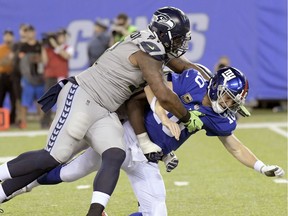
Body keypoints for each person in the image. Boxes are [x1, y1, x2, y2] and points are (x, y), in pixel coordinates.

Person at [0, 7, 206, 216]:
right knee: (53, 157)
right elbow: (162, 94)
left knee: (115, 154)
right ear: (164, 33)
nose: (181, 44)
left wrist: (211, 80)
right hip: (83, 96)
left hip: (104, 110)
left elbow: (185, 66)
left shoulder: (155, 45)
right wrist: (187, 118)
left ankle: (95, 213)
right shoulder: (149, 51)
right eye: (178, 38)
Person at [4, 67, 285, 216]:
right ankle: (20, 186)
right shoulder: (193, 82)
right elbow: (154, 85)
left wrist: (261, 166)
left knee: (157, 212)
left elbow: (234, 145)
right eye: (228, 97)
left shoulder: (220, 117)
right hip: (125, 136)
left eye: (233, 101)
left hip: (149, 158)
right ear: (217, 88)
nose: (229, 104)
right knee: (68, 172)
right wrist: (162, 112)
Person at [41, 28, 74, 128]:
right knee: (49, 100)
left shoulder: (68, 47)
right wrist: (43, 47)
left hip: (62, 76)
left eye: (62, 36)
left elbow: (66, 56)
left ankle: (63, 121)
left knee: (63, 100)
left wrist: (55, 45)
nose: (60, 38)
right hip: (50, 76)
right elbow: (44, 62)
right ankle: (45, 122)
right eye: (59, 36)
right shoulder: (48, 49)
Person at [18, 24, 45, 129]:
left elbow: (43, 59)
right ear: (26, 33)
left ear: (34, 33)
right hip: (28, 78)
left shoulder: (39, 45)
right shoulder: (23, 46)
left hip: (39, 78)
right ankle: (23, 122)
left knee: (41, 102)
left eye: (32, 31)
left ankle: (42, 121)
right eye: (28, 32)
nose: (30, 34)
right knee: (25, 102)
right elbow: (23, 61)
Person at [0, 30, 16, 125]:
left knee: (14, 99)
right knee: (0, 98)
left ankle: (12, 120)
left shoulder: (16, 48)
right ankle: (1, 121)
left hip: (13, 76)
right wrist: (9, 58)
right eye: (6, 36)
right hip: (2, 76)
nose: (8, 38)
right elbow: (2, 63)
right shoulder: (1, 49)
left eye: (10, 36)